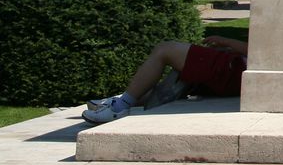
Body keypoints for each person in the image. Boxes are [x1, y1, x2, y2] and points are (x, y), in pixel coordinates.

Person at [81, 35, 248, 125]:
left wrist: (226, 41)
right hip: (238, 69)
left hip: (237, 69)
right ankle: (122, 101)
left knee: (165, 50)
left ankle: (120, 107)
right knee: (179, 75)